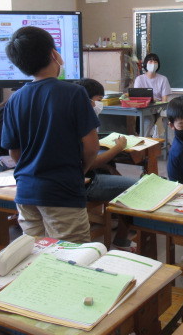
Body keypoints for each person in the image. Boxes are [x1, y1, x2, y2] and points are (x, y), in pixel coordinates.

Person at [2, 26, 99, 243]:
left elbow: (14, 151)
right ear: (53, 54)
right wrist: (79, 170)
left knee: (34, 254)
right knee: (70, 258)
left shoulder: (14, 100)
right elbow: (92, 147)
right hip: (62, 191)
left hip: (26, 192)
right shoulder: (74, 93)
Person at [76, 78, 136, 251]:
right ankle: (120, 243)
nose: (99, 105)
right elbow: (90, 162)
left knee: (112, 170)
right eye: (98, 100)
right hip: (86, 182)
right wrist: (118, 148)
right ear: (87, 100)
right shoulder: (84, 121)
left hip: (78, 178)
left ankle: (116, 219)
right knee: (138, 188)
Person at [133, 53, 172, 137]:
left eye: (155, 62)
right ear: (146, 64)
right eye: (150, 61)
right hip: (144, 108)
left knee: (170, 117)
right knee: (148, 119)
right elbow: (136, 98)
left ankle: (172, 145)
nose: (153, 64)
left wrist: (157, 102)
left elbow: (164, 101)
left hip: (159, 108)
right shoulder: (139, 79)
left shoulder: (163, 79)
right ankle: (142, 143)